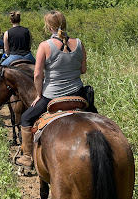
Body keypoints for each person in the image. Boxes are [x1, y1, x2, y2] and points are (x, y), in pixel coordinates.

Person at [16, 10, 97, 168]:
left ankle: (27, 157)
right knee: (97, 119)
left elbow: (38, 74)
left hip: (51, 96)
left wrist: (39, 95)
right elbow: (83, 70)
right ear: (64, 24)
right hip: (78, 93)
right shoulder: (79, 43)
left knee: (25, 118)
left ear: (48, 26)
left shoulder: (45, 46)